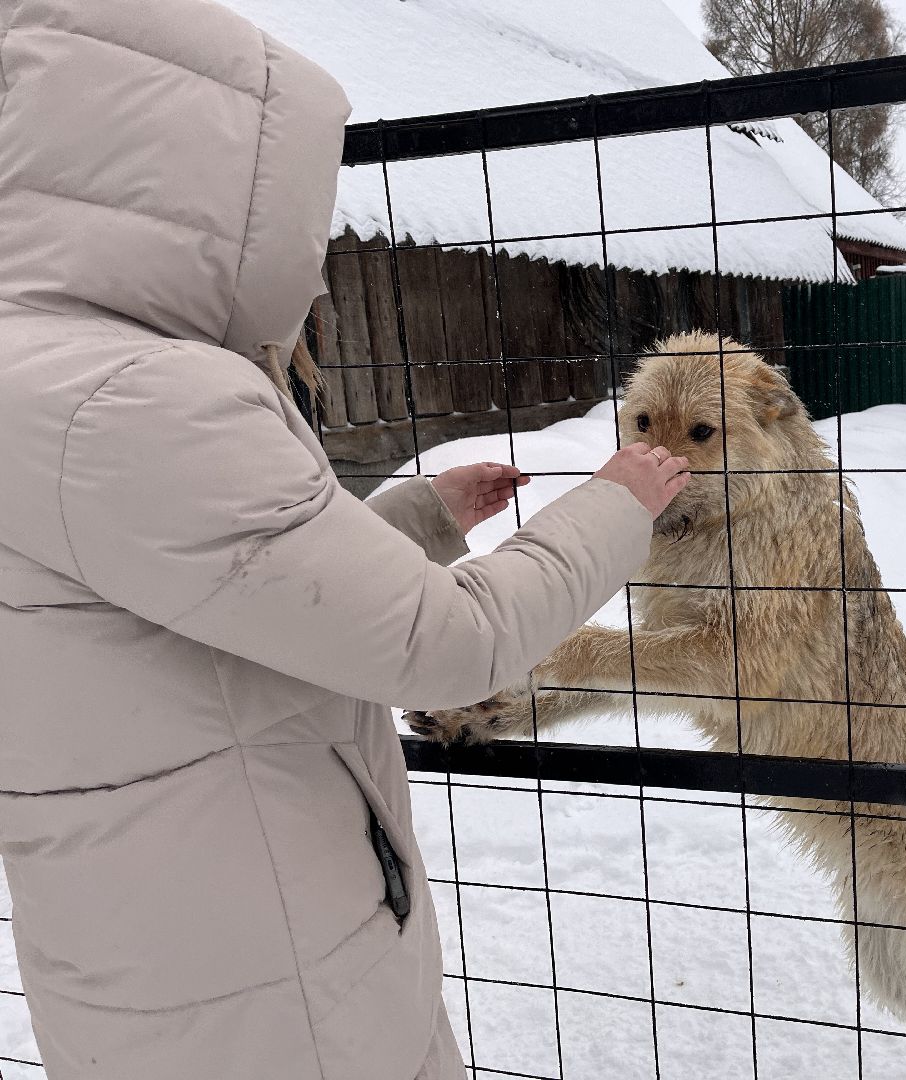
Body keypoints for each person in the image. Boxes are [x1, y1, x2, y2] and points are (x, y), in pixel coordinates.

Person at [0, 1, 687, 1078]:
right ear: (206, 187)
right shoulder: (136, 399)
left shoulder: (40, 374)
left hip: (168, 961)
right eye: (296, 208)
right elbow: (448, 644)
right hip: (272, 990)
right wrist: (621, 498)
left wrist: (417, 520)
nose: (313, 261)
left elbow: (221, 595)